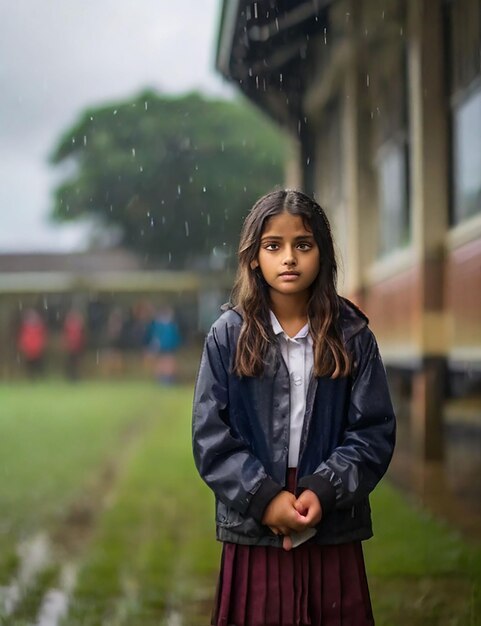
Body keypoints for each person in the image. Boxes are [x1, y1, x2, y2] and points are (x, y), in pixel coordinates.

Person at [192, 189, 396, 626]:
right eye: (274, 246)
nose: (289, 257)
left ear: (322, 254)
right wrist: (264, 499)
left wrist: (324, 491)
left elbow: (373, 432)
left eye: (303, 244)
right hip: (255, 518)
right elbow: (210, 435)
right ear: (253, 257)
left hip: (329, 515)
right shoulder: (227, 336)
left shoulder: (353, 334)